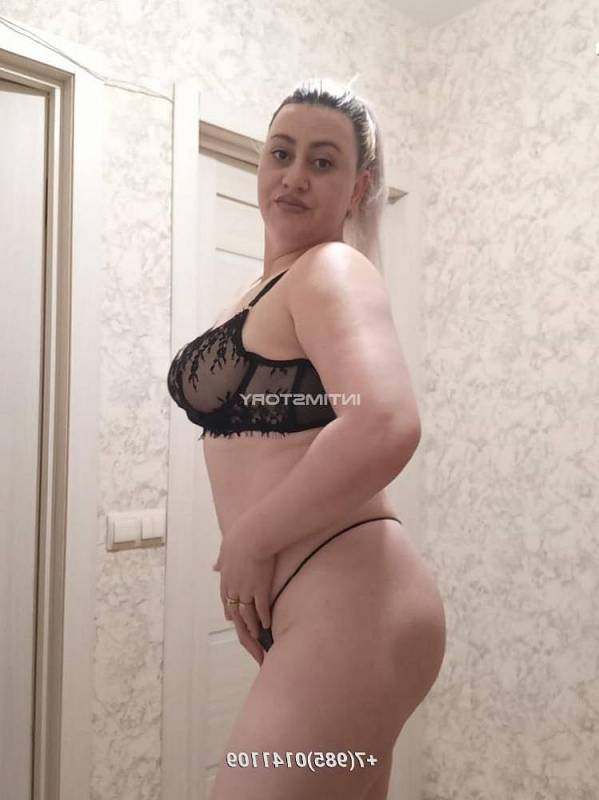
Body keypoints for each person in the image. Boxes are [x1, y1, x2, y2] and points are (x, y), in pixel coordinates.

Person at [167, 77, 446, 800]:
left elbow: (383, 421)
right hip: (322, 604)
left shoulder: (332, 268)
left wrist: (249, 541)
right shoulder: (268, 287)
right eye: (280, 153)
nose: (293, 176)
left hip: (352, 598)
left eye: (322, 162)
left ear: (357, 188)